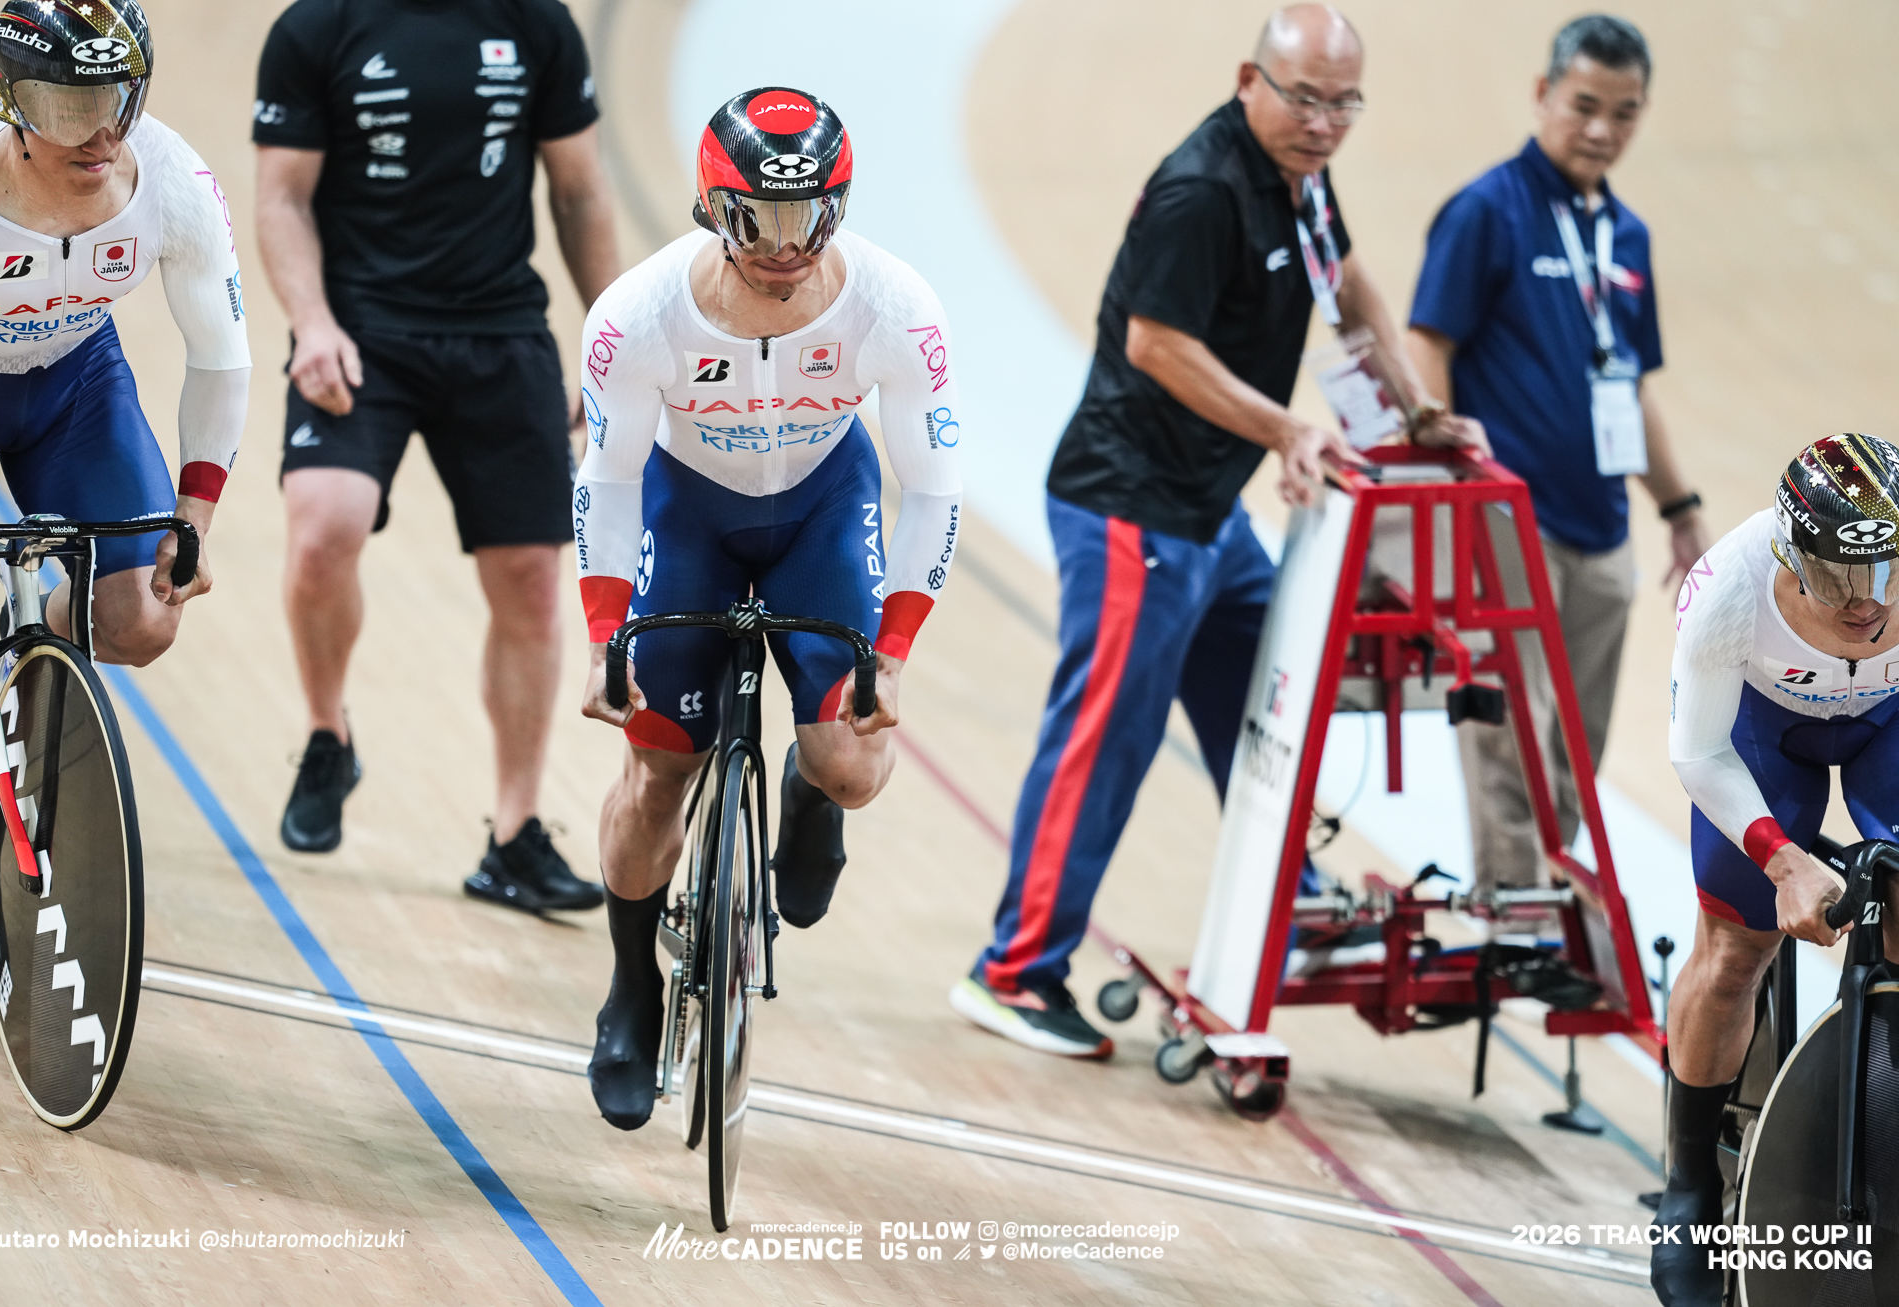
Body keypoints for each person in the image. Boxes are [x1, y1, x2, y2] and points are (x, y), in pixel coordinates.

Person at [950, 5, 1485, 1060]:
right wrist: (1287, 427)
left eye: (1344, 103)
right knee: (1108, 735)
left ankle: (1291, 899)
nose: (1324, 121)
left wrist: (1414, 407)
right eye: (1304, 98)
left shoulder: (1301, 174)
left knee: (1265, 710)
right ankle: (1013, 971)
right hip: (1131, 507)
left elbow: (1349, 287)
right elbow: (1155, 344)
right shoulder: (1202, 190)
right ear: (1251, 80)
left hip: (1207, 511)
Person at [572, 86, 965, 1130]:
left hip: (821, 510)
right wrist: (606, 636)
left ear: (840, 207)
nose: (786, 248)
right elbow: (608, 479)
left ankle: (807, 788)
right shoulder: (638, 315)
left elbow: (932, 490)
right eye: (758, 220)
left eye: (808, 219)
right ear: (714, 206)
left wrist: (894, 650)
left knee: (854, 764)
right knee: (658, 769)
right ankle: (631, 986)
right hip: (685, 515)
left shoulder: (894, 304)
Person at [252, 0, 621, 911]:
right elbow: (282, 197)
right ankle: (328, 736)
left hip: (500, 331)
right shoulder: (317, 28)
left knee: (532, 580)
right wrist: (312, 324)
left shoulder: (537, 23)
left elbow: (578, 192)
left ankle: (514, 833)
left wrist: (613, 346)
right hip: (360, 328)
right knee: (323, 529)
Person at [1406, 14, 1707, 896]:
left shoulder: (1628, 235)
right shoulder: (1485, 212)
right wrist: (1454, 484)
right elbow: (1428, 345)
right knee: (1507, 724)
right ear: (1543, 95)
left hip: (1602, 528)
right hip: (1508, 518)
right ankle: (1515, 910)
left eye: (1625, 112)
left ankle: (1551, 895)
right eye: (1584, 106)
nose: (1602, 129)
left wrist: (1679, 508)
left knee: (1577, 736)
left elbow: (1631, 385)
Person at [1656, 434, 1899, 1305]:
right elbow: (1698, 752)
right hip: (1762, 736)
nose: (1866, 600)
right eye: (1838, 578)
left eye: (1883, 572)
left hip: (1888, 723)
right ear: (1790, 555)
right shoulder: (1730, 585)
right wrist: (1783, 860)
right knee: (1734, 953)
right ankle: (1690, 1185)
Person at [0, 1, 244, 661]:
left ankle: (33, 634)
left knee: (145, 620)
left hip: (75, 387)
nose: (102, 137)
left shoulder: (174, 181)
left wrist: (192, 519)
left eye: (118, 103)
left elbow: (221, 359)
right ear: (12, 106)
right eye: (70, 112)